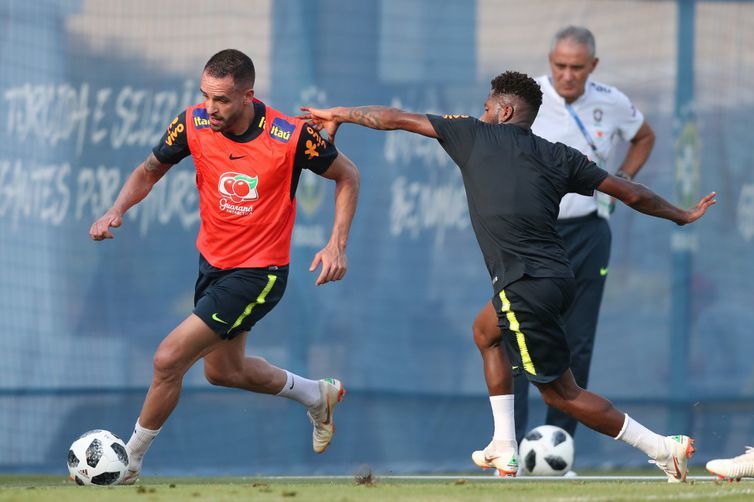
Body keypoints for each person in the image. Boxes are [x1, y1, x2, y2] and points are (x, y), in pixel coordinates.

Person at [301, 70, 715, 481]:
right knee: (486, 332)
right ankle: (504, 445)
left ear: (505, 109)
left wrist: (338, 113)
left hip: (526, 285)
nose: (480, 114)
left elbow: (393, 117)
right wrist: (680, 215)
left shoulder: (473, 136)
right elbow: (632, 192)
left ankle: (662, 447)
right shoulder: (560, 154)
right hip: (554, 277)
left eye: (485, 108)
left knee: (562, 394)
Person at [89, 49, 360, 484]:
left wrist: (336, 244)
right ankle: (317, 394)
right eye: (205, 96)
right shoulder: (193, 123)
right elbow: (149, 169)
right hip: (212, 265)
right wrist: (114, 210)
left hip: (260, 273)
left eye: (222, 100)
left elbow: (348, 175)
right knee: (223, 372)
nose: (210, 108)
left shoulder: (290, 136)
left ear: (248, 95)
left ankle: (129, 461)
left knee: (167, 358)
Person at [472, 26, 656, 446]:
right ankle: (510, 440)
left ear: (593, 66)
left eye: (576, 67)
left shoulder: (611, 101)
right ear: (549, 61)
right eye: (559, 65)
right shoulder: (525, 97)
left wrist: (625, 174)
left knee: (577, 339)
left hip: (588, 232)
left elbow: (644, 136)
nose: (567, 75)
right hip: (532, 236)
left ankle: (556, 444)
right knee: (507, 331)